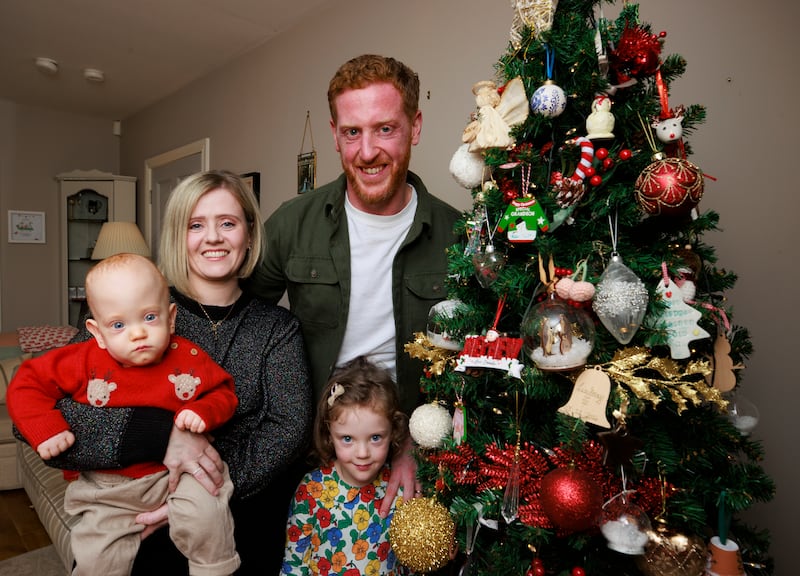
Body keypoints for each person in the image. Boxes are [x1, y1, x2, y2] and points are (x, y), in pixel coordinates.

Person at [45, 170, 313, 575]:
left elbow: (287, 427)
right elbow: (44, 416)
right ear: (177, 234)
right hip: (137, 524)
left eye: (228, 223)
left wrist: (196, 493)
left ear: (249, 234)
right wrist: (159, 438)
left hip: (239, 522)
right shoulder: (133, 312)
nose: (214, 237)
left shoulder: (277, 328)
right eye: (196, 225)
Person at [247, 54, 462, 514]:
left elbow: (471, 365)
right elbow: (243, 322)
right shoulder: (292, 223)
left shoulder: (457, 235)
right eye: (352, 132)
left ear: (415, 127)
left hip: (409, 449)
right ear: (335, 135)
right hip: (307, 447)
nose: (367, 152)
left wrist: (417, 448)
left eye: (385, 128)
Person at [9, 253, 241, 576]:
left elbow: (224, 392)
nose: (137, 334)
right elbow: (26, 383)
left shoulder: (187, 356)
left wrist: (203, 410)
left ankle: (215, 569)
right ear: (97, 332)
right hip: (108, 488)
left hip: (176, 476)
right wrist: (46, 427)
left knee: (207, 514)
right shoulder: (80, 359)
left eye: (149, 317)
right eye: (118, 325)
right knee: (95, 559)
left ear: (170, 318)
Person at [282, 356, 412, 576]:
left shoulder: (399, 490)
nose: (362, 454)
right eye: (348, 439)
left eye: (375, 438)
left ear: (393, 431)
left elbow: (413, 563)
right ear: (330, 435)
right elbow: (294, 563)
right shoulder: (311, 490)